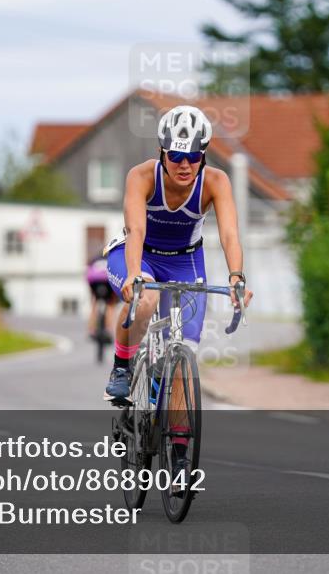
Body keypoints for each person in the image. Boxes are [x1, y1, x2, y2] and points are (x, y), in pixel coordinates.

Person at [102, 104, 254, 477]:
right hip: (137, 255)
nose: (184, 165)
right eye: (176, 156)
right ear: (162, 153)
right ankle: (123, 365)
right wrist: (136, 276)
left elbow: (230, 234)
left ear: (203, 155)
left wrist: (237, 278)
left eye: (193, 157)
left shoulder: (215, 182)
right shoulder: (141, 177)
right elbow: (136, 231)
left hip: (186, 260)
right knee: (147, 298)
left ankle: (181, 454)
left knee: (185, 354)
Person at [86, 254, 116, 342]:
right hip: (107, 280)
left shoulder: (95, 259)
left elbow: (88, 272)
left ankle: (91, 330)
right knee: (111, 304)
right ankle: (108, 330)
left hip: (94, 281)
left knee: (94, 302)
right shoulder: (112, 258)